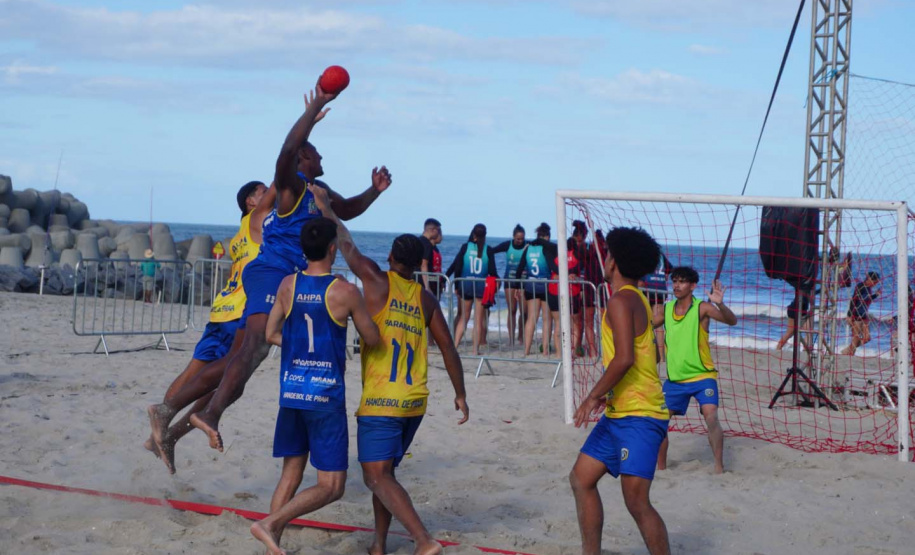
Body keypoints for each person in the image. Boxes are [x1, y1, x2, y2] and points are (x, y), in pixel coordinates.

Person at [173, 83, 389, 452]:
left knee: (241, 361)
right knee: (251, 351)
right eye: (317, 152)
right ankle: (194, 413)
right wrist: (312, 114)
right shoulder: (290, 188)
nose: (322, 158)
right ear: (305, 156)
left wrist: (374, 191)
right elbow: (287, 149)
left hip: (285, 277)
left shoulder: (318, 190)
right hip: (271, 272)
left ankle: (172, 416)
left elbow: (347, 210)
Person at [311, 185, 469, 555]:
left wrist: (324, 207)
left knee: (375, 476)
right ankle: (379, 545)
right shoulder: (425, 298)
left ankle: (424, 540)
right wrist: (460, 393)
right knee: (386, 476)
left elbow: (345, 244)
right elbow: (448, 347)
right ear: (417, 264)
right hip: (414, 403)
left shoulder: (375, 279)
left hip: (382, 401)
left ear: (391, 256)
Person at [251, 217, 381, 555]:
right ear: (333, 249)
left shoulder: (287, 285)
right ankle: (270, 524)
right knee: (332, 485)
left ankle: (270, 546)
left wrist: (296, 349)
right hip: (324, 398)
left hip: (291, 391)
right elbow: (372, 338)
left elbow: (270, 333)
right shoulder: (344, 291)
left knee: (290, 475)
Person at [145, 180, 269, 473]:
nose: (269, 196)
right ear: (251, 201)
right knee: (231, 382)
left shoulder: (242, 232)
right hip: (239, 310)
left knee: (195, 373)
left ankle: (160, 433)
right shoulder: (257, 221)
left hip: (222, 307)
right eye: (263, 192)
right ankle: (167, 426)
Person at [569, 226, 670, 555]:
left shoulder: (620, 300)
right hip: (620, 414)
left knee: (637, 503)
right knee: (581, 479)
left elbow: (624, 359)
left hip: (640, 417)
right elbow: (641, 357)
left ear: (614, 262)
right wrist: (609, 395)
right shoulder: (635, 297)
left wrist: (592, 396)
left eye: (608, 253)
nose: (605, 257)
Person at [654, 266, 738, 474]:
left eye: (682, 282)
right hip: (675, 380)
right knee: (659, 420)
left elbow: (732, 321)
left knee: (711, 416)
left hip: (703, 376)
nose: (676, 285)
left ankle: (719, 467)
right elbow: (644, 325)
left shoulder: (702, 309)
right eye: (674, 281)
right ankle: (661, 469)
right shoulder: (666, 309)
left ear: (692, 286)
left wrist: (720, 303)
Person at [446, 223, 497, 355]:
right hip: (480, 285)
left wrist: (456, 285)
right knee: (478, 320)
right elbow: (493, 271)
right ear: (485, 236)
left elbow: (458, 266)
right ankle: (475, 350)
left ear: (474, 235)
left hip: (465, 283)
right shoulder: (488, 250)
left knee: (464, 317)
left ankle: (455, 346)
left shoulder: (465, 247)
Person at [515, 223, 558, 356]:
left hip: (531, 284)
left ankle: (526, 350)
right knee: (546, 319)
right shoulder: (547, 249)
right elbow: (553, 267)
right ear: (547, 237)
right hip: (545, 285)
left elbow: (520, 268)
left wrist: (518, 287)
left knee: (531, 318)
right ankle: (545, 350)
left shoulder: (528, 248)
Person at [491, 224, 528, 345]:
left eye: (522, 238)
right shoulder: (508, 245)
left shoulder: (528, 246)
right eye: (518, 239)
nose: (520, 241)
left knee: (524, 312)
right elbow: (492, 251)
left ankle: (521, 337)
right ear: (513, 237)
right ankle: (511, 339)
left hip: (523, 281)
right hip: (510, 281)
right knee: (512, 310)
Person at [841, 271, 882, 356]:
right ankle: (850, 353)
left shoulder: (869, 288)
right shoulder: (861, 286)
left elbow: (867, 299)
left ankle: (847, 350)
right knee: (856, 337)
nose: (875, 284)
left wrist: (876, 295)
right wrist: (849, 315)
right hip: (856, 314)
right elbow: (853, 300)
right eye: (874, 282)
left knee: (867, 338)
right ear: (869, 279)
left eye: (876, 282)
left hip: (864, 315)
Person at [417, 218, 444, 298]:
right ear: (433, 230)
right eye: (438, 230)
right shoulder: (427, 244)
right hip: (423, 282)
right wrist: (427, 286)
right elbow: (423, 265)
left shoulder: (418, 241)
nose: (439, 233)